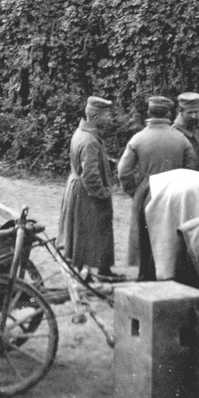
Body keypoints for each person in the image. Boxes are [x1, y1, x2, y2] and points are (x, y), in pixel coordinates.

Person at [117, 95, 197, 266]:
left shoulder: (138, 139)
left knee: (144, 235)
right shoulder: (181, 139)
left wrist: (134, 191)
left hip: (147, 191)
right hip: (175, 191)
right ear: (168, 113)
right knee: (171, 233)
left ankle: (145, 273)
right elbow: (193, 169)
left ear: (148, 112)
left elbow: (123, 172)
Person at [58, 96, 120, 281]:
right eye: (106, 115)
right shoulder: (90, 140)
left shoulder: (82, 133)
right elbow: (90, 174)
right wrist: (102, 193)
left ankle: (99, 270)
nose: (109, 118)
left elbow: (85, 161)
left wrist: (108, 163)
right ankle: (88, 273)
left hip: (77, 188)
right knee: (90, 231)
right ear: (95, 117)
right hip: (87, 192)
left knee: (82, 231)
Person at [172, 90, 199, 158]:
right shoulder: (175, 131)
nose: (194, 116)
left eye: (196, 112)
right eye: (190, 112)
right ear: (180, 111)